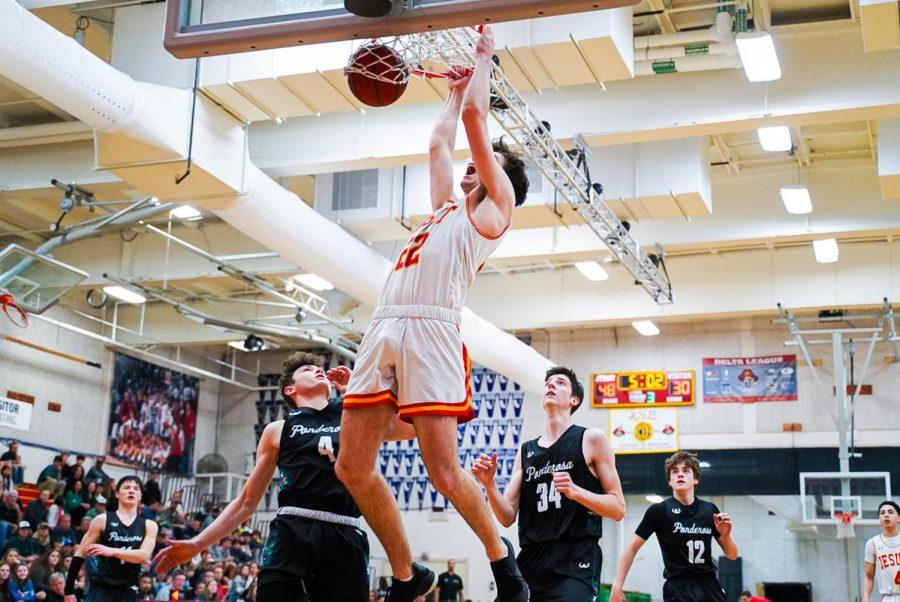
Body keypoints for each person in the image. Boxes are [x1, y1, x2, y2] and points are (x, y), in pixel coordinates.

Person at [336, 25, 530, 602]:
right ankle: (407, 574)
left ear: (499, 180)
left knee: (444, 472)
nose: (471, 168)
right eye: (473, 167)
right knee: (352, 466)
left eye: (484, 165)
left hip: (432, 327)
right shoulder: (446, 210)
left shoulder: (496, 211)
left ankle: (503, 563)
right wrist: (450, 93)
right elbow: (438, 146)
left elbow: (474, 128)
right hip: (384, 324)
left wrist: (483, 59)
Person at [154, 353, 413, 602]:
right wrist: (198, 543)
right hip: (291, 533)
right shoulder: (277, 429)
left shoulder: (354, 416)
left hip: (344, 532)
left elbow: (411, 427)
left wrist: (355, 394)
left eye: (319, 369)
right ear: (290, 389)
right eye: (306, 370)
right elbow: (246, 502)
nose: (317, 371)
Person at [473, 367, 626, 601]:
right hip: (531, 561)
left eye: (561, 383)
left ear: (574, 400)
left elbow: (618, 508)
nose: (551, 385)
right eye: (548, 383)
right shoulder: (526, 451)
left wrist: (576, 492)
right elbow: (506, 516)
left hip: (575, 560)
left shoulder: (591, 439)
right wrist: (490, 485)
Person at [611, 451, 738, 602]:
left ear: (695, 479)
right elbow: (631, 548)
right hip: (678, 588)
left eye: (686, 471)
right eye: (675, 471)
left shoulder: (710, 510)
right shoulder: (659, 511)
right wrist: (617, 586)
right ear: (669, 481)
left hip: (709, 586)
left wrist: (726, 536)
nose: (680, 474)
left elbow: (732, 555)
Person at [63, 476, 158, 602]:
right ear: (117, 494)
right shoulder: (102, 519)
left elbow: (143, 556)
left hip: (130, 587)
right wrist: (69, 591)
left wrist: (111, 551)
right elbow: (80, 553)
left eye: (136, 489)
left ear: (140, 495)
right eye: (127, 487)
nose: (131, 491)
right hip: (102, 585)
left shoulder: (150, 525)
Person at [863, 500, 900, 602]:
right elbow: (868, 575)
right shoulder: (873, 543)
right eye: (882, 513)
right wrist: (865, 598)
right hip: (889, 597)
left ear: (899, 518)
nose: (886, 515)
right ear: (879, 519)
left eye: (890, 512)